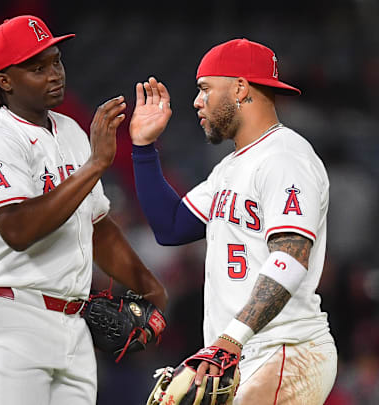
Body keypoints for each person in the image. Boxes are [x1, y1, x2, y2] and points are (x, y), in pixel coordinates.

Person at [0, 15, 167, 405]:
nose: (54, 74)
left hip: (73, 321)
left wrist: (149, 285)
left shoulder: (68, 131)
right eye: (38, 68)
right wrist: (95, 165)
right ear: (5, 80)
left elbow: (98, 226)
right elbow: (18, 229)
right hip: (8, 316)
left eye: (56, 62)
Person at [130, 38, 337, 403]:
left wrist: (231, 338)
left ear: (240, 87)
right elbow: (171, 226)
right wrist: (144, 149)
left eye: (206, 89)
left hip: (284, 348)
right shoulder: (231, 167)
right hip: (243, 352)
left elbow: (290, 258)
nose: (197, 101)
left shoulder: (285, 157)